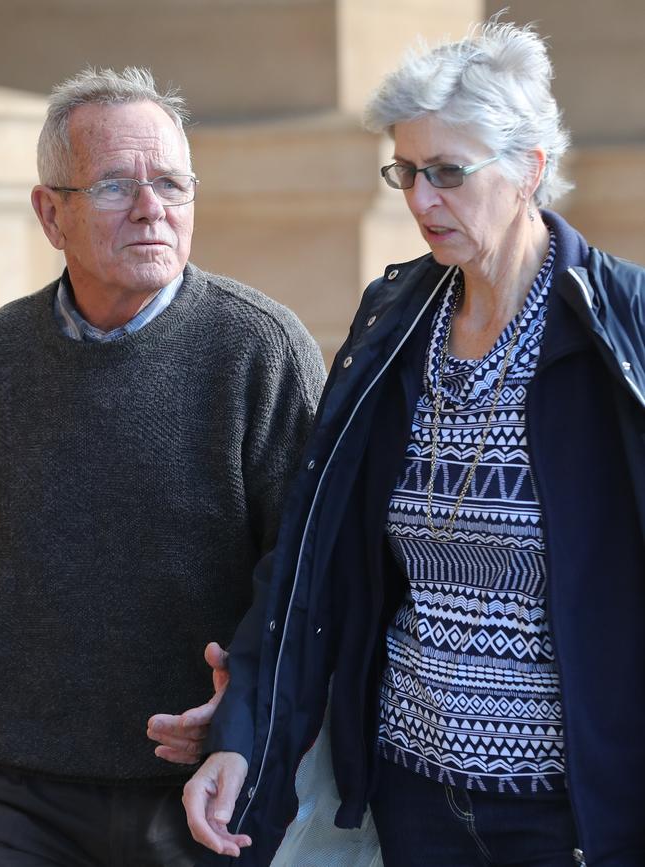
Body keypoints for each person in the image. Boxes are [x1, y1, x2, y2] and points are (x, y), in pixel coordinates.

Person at [155, 19, 644, 867]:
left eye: (448, 173)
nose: (420, 201)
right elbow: (314, 552)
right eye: (407, 172)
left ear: (529, 168)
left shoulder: (621, 330)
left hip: (572, 816)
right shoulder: (395, 326)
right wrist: (244, 727)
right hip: (411, 797)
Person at [0, 66, 325, 866]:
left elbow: (309, 574)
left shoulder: (262, 351)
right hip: (15, 786)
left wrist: (242, 714)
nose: (152, 208)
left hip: (200, 791)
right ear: (50, 214)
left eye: (173, 184)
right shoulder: (3, 356)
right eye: (115, 186)